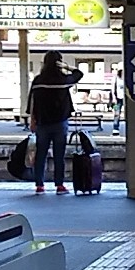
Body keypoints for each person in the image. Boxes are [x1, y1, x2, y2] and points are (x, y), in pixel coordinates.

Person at [27, 51, 84, 194]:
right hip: (60, 122)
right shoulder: (63, 80)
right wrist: (67, 67)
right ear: (59, 63)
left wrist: (32, 120)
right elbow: (79, 74)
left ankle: (39, 185)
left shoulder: (38, 80)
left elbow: (32, 101)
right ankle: (59, 185)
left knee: (41, 154)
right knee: (59, 155)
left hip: (42, 122)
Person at [110, 64, 125, 134]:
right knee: (116, 113)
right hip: (117, 98)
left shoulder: (126, 78)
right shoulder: (115, 78)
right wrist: (113, 98)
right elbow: (112, 89)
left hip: (125, 98)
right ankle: (115, 127)